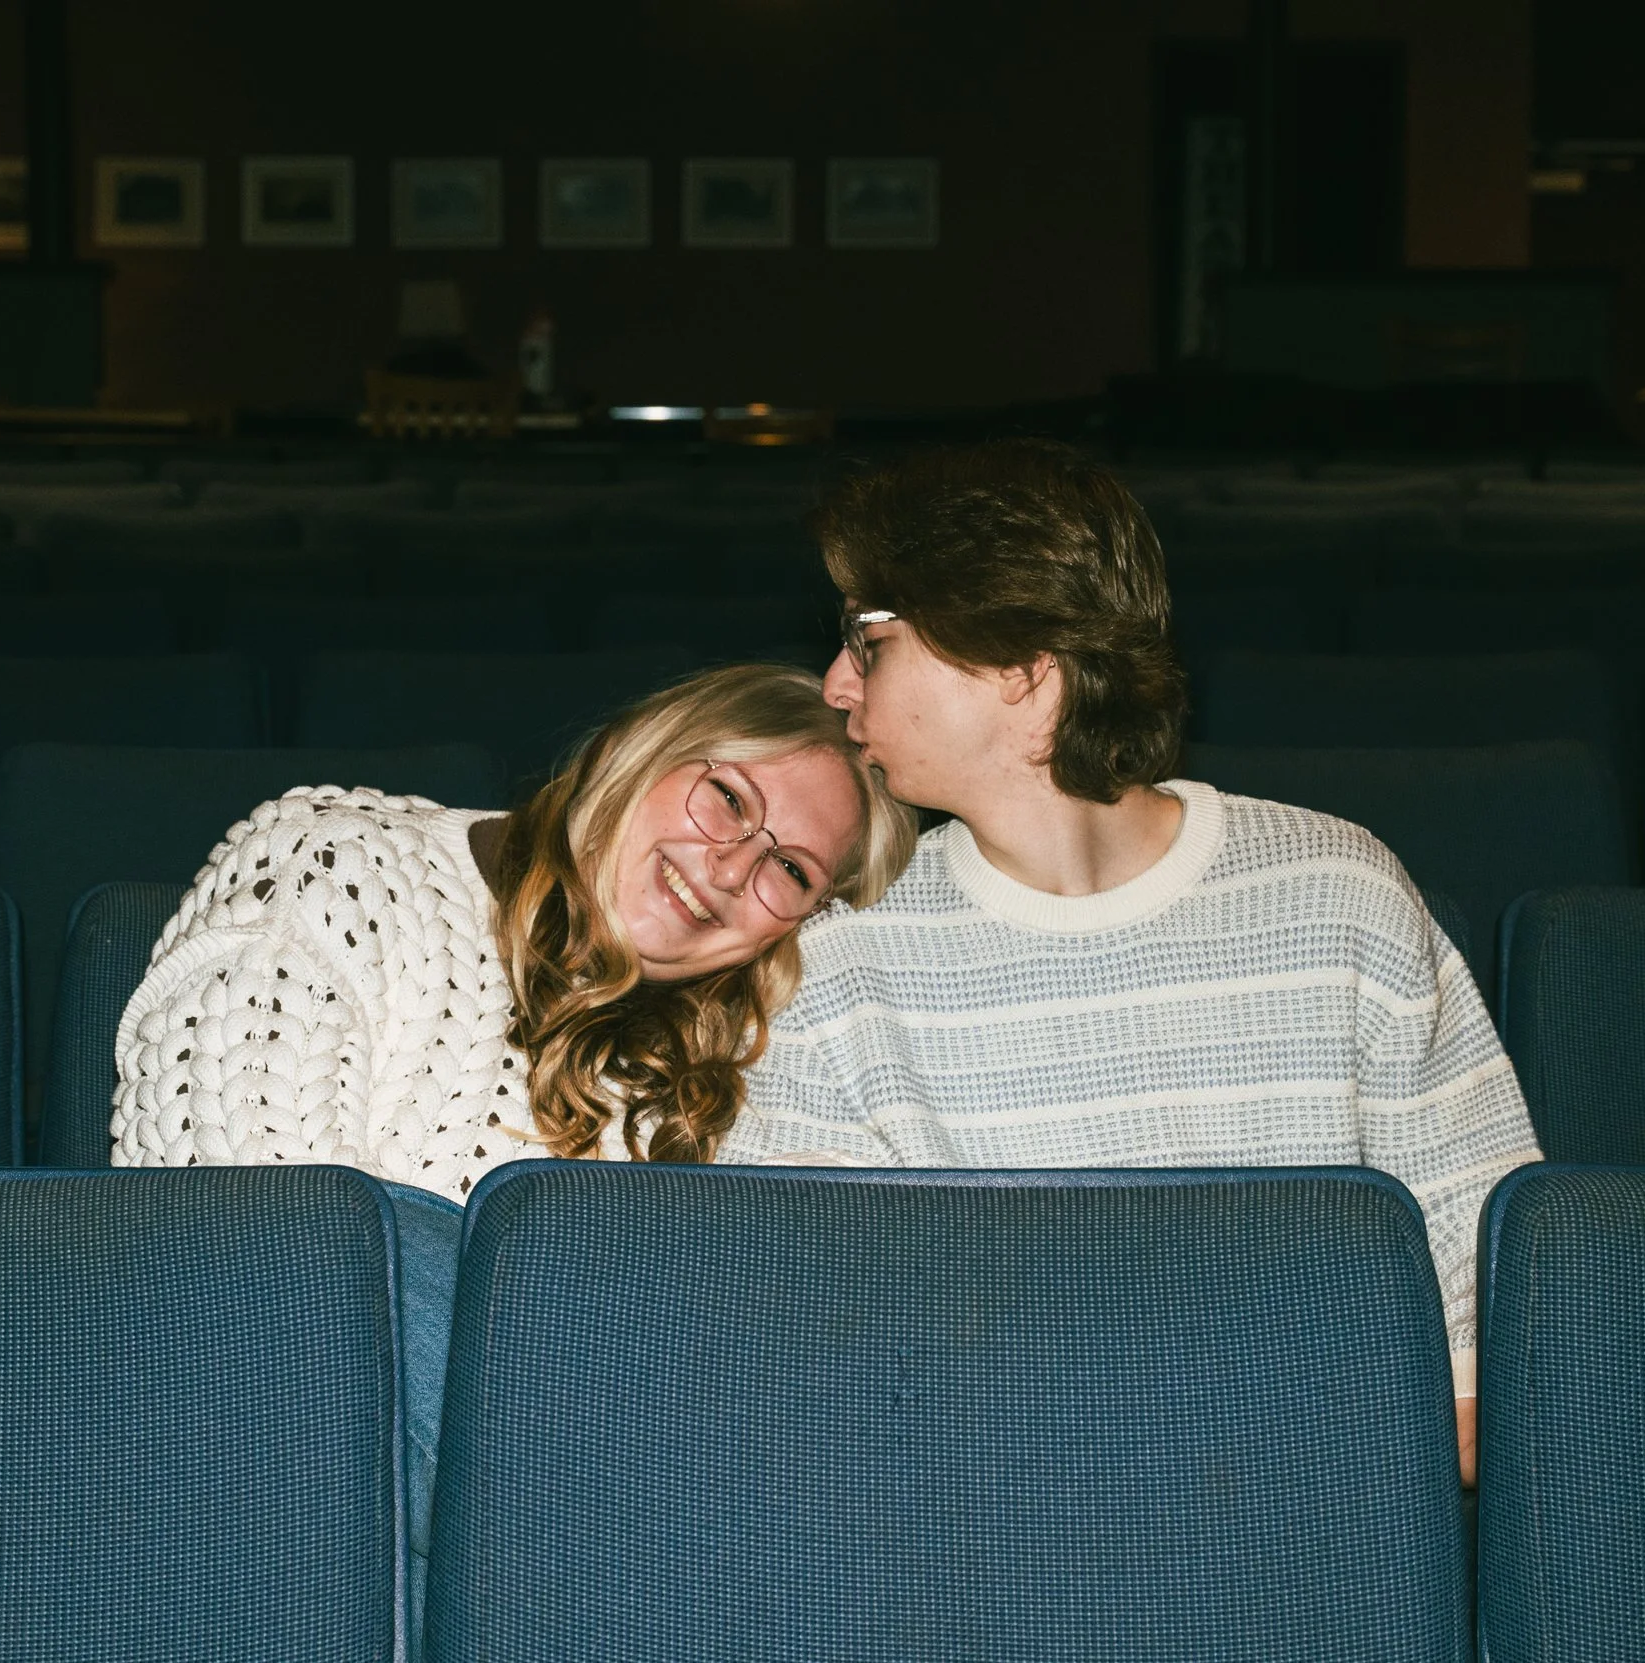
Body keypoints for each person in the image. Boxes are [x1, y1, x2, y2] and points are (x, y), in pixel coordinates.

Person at [716, 441, 1543, 1485]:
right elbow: (812, 1360)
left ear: (1020, 671)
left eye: (868, 640)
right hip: (979, 1529)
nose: (835, 683)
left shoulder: (1339, 897)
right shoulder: (839, 954)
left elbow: (1493, 1331)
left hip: (1317, 1533)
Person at [112, 662, 917, 1591]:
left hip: (565, 1538)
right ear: (644, 749)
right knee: (359, 1244)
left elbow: (821, 1315)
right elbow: (253, 1256)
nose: (732, 867)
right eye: (727, 797)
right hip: (259, 1480)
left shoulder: (738, 1054)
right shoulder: (340, 864)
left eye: (790, 870)